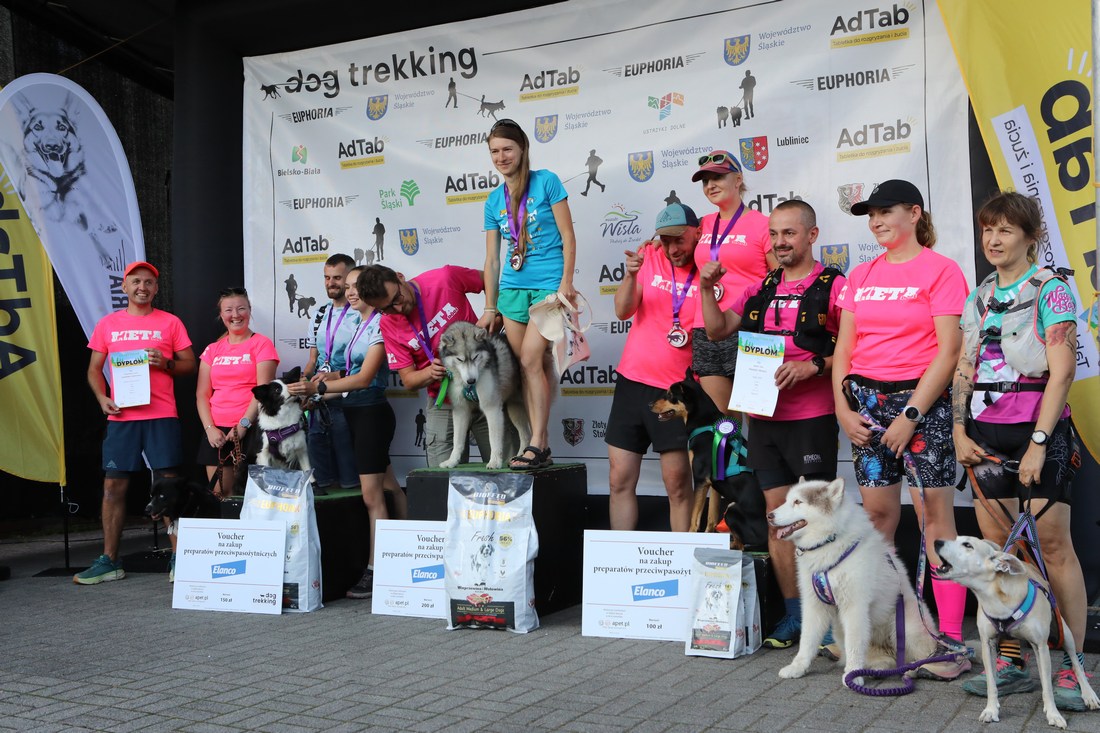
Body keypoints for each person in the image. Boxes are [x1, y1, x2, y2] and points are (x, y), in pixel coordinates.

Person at [953, 191, 1089, 710]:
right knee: (1000, 553)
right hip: (985, 437)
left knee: (1053, 548)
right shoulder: (980, 295)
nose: (993, 239)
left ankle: (1074, 666)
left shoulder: (1051, 290)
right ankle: (1012, 660)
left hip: (1038, 433)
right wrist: (959, 430)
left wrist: (1038, 443)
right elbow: (965, 367)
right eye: (988, 229)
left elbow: (1063, 373)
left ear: (1031, 239)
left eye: (1005, 230)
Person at [832, 179, 971, 680]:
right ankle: (886, 636)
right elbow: (844, 349)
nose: (876, 221)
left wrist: (910, 414)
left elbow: (949, 351)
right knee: (876, 521)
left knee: (935, 519)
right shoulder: (861, 274)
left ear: (914, 213)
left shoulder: (942, 270)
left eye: (885, 211)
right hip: (866, 409)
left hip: (922, 407)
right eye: (871, 214)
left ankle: (948, 642)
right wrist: (842, 409)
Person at [700, 200, 844, 649]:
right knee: (777, 519)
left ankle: (829, 621)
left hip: (812, 417)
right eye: (775, 234)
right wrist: (705, 288)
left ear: (811, 235)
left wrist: (812, 366)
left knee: (818, 519)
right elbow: (717, 329)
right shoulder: (760, 288)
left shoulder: (834, 285)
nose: (781, 242)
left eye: (790, 233)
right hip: (763, 418)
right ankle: (795, 616)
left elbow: (855, 351)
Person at [75, 261, 196, 585]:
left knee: (169, 485)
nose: (142, 287)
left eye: (149, 282)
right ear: (125, 287)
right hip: (123, 417)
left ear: (156, 288)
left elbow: (190, 365)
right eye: (136, 281)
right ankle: (110, 561)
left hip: (161, 415)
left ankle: (179, 558)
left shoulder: (170, 322)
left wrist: (167, 363)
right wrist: (102, 398)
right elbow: (93, 369)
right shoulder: (108, 324)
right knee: (113, 486)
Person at [290, 265, 406, 599]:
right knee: (389, 486)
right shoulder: (358, 323)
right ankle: (408, 553)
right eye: (350, 286)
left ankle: (376, 570)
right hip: (354, 412)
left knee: (372, 497)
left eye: (358, 286)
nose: (351, 292)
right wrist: (319, 385)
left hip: (370, 413)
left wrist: (317, 389)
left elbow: (364, 378)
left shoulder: (381, 323)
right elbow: (349, 370)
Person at [479, 117, 578, 470]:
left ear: (522, 148)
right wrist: (490, 306)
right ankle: (540, 442)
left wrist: (566, 283)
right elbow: (492, 259)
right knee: (528, 367)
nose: (501, 157)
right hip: (512, 290)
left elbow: (568, 235)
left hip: (548, 286)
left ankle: (537, 442)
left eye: (507, 149)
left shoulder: (546, 181)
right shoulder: (494, 200)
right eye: (494, 151)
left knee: (532, 359)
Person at [358, 264, 517, 467]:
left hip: (485, 386)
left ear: (400, 277)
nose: (397, 308)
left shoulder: (444, 278)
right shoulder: (388, 324)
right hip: (445, 399)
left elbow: (492, 281)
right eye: (386, 309)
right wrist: (430, 372)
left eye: (397, 298)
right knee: (442, 476)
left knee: (506, 469)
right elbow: (409, 380)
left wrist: (494, 313)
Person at [607, 203, 701, 532]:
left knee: (677, 483)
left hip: (677, 391)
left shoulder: (709, 267)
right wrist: (631, 274)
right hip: (632, 381)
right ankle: (619, 558)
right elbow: (622, 311)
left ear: (697, 233)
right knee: (619, 479)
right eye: (666, 240)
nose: (673, 249)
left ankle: (683, 557)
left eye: (680, 240)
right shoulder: (648, 256)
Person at [689, 150, 775, 415]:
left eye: (717, 178)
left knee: (759, 419)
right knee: (723, 424)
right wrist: (656, 244)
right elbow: (674, 246)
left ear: (738, 180)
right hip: (706, 328)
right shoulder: (702, 224)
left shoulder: (763, 224)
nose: (710, 185)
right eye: (705, 181)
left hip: (749, 327)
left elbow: (781, 277)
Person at [195, 287, 279, 500]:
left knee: (251, 496)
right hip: (217, 432)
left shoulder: (262, 344)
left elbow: (262, 390)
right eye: (228, 310)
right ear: (221, 315)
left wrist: (243, 425)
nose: (235, 315)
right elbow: (202, 395)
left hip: (251, 428)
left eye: (241, 308)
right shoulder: (212, 350)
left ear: (249, 311)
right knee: (219, 494)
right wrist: (210, 429)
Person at [302, 253, 361, 495]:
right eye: (327, 277)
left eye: (337, 277)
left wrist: (333, 378)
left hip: (348, 400)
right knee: (322, 479)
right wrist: (304, 382)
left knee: (350, 479)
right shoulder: (319, 314)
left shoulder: (360, 312)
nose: (331, 283)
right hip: (319, 401)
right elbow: (313, 360)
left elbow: (363, 365)